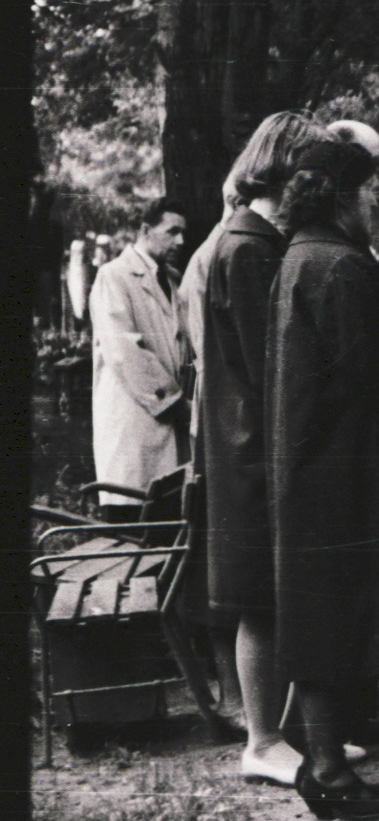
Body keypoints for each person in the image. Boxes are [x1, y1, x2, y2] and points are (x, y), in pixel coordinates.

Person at [266, 139, 379, 821]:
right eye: (369, 190)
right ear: (342, 195)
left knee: (321, 617)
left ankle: (326, 764)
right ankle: (331, 773)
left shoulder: (300, 258)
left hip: (314, 466)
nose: (375, 202)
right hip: (342, 472)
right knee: (335, 616)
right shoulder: (340, 266)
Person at [199, 111, 334, 785]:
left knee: (270, 594)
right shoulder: (250, 247)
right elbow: (269, 363)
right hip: (251, 445)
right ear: (286, 167)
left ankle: (277, 733)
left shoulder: (246, 239)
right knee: (260, 596)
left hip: (245, 439)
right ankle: (262, 738)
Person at [89, 198, 191, 518]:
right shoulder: (114, 276)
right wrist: (176, 402)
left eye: (183, 233)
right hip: (136, 417)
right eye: (172, 231)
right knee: (131, 516)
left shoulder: (172, 280)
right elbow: (124, 351)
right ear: (146, 230)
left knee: (165, 517)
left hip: (170, 419)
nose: (181, 241)